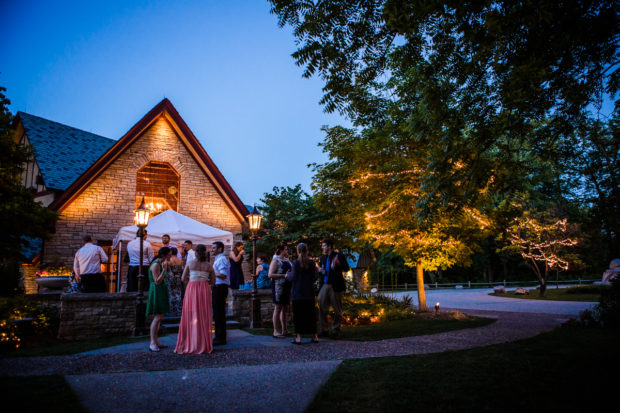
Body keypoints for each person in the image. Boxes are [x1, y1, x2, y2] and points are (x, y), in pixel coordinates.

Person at [175, 244, 215, 354]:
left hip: (192, 288)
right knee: (203, 314)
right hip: (204, 289)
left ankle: (191, 341)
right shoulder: (209, 265)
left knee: (190, 313)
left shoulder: (190, 263)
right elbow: (213, 282)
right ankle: (203, 342)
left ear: (196, 253)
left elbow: (183, 278)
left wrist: (193, 279)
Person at [287, 243, 319, 344]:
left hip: (298, 292)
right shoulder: (312, 263)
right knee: (311, 315)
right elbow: (315, 276)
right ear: (306, 250)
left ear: (298, 251)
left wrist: (287, 275)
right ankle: (315, 336)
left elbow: (291, 277)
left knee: (298, 315)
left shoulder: (295, 263)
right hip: (309, 292)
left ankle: (298, 338)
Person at [318, 238, 350, 339]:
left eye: (323, 246)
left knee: (337, 309)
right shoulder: (323, 257)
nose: (322, 248)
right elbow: (321, 269)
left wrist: (338, 264)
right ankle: (324, 330)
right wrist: (320, 270)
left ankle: (336, 330)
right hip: (325, 284)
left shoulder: (338, 256)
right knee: (321, 306)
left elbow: (346, 268)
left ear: (329, 246)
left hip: (335, 285)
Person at [146, 246, 172, 352]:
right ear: (164, 255)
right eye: (169, 255)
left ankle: (156, 341)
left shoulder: (160, 263)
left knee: (160, 317)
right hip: (157, 290)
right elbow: (157, 281)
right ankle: (152, 342)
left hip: (161, 290)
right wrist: (164, 270)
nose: (170, 256)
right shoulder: (156, 264)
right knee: (157, 317)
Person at [268, 242, 292, 338]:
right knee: (278, 308)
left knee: (285, 308)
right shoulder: (276, 261)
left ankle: (284, 330)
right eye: (285, 249)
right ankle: (275, 331)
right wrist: (283, 275)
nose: (287, 251)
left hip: (286, 286)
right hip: (278, 286)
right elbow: (270, 274)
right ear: (281, 251)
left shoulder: (286, 260)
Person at [211, 241, 230, 345]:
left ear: (220, 249)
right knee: (218, 312)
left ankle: (220, 337)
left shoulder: (221, 259)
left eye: (214, 248)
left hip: (220, 288)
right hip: (217, 287)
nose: (212, 249)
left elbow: (223, 275)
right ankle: (219, 335)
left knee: (219, 313)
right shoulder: (217, 259)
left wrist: (211, 273)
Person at [166, 246, 184, 316]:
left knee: (170, 294)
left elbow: (167, 271)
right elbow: (182, 270)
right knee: (178, 293)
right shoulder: (180, 261)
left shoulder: (168, 261)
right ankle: (179, 310)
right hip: (178, 278)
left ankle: (171, 310)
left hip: (170, 278)